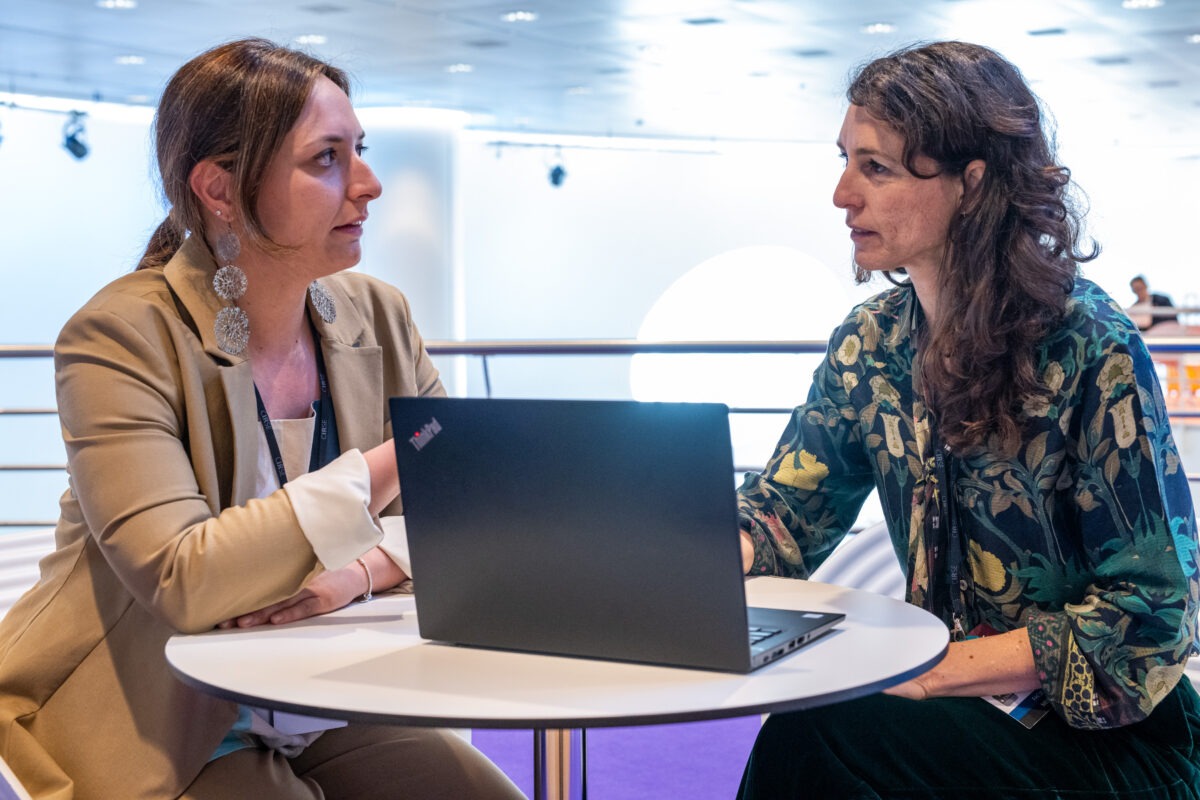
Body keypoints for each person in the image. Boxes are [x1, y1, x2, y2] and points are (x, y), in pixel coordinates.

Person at [0, 38, 523, 799]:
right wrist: (397, 463)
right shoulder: (121, 335)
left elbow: (468, 515)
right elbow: (183, 577)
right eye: (326, 159)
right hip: (161, 712)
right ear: (219, 188)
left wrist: (357, 573)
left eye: (360, 151)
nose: (369, 184)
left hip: (329, 693)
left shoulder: (379, 312)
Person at [736, 41, 1200, 799]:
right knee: (825, 734)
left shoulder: (1091, 346)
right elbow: (787, 512)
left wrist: (930, 671)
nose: (841, 194)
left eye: (875, 167)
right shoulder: (870, 344)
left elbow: (1149, 620)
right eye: (846, 160)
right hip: (960, 712)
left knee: (821, 734)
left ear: (971, 183)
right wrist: (687, 563)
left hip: (1114, 741)